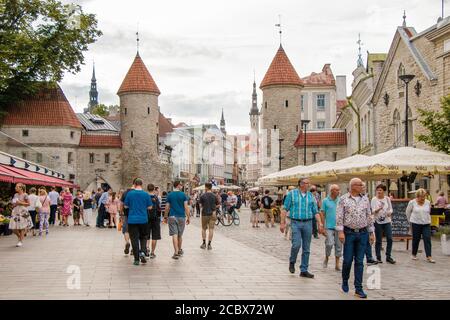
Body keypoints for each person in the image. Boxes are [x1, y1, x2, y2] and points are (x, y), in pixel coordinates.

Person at [336, 178, 375, 299]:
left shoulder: (365, 199)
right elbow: (339, 216)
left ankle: (358, 288)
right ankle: (345, 280)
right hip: (349, 233)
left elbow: (369, 216)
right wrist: (340, 232)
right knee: (347, 260)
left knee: (359, 261)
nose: (362, 186)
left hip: (362, 233)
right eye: (360, 185)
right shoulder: (343, 199)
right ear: (353, 186)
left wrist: (371, 232)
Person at [280, 178, 320, 279]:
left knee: (306, 248)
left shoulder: (311, 196)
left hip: (308, 223)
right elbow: (285, 208)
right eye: (307, 183)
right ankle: (292, 261)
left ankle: (304, 270)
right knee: (296, 245)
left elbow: (315, 211)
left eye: (309, 183)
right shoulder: (292, 194)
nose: (309, 185)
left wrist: (320, 223)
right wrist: (282, 222)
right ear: (301, 184)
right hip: (296, 223)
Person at [123, 178, 152, 266]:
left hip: (132, 220)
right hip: (143, 219)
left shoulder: (130, 194)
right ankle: (143, 252)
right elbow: (150, 207)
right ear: (142, 184)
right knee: (143, 237)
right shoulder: (146, 194)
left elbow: (125, 206)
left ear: (134, 184)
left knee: (134, 239)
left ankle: (136, 259)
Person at [406, 188, 435, 263]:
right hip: (415, 223)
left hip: (426, 223)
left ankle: (429, 256)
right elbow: (407, 213)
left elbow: (429, 212)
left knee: (427, 238)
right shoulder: (412, 202)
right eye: (421, 197)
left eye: (424, 196)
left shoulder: (428, 202)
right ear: (417, 196)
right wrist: (410, 221)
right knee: (416, 239)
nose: (423, 198)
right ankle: (414, 254)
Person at [164, 181, 190, 260]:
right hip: (181, 216)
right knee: (180, 235)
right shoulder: (183, 195)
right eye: (181, 185)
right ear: (178, 186)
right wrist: (188, 217)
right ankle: (179, 250)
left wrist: (165, 216)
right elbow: (186, 207)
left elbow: (167, 207)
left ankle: (176, 252)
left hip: (172, 216)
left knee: (174, 234)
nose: (182, 186)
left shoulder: (170, 195)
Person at [371, 184, 396, 264]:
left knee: (390, 238)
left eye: (380, 190)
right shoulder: (374, 199)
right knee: (378, 240)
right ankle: (378, 257)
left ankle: (388, 256)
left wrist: (390, 212)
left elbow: (391, 208)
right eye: (378, 190)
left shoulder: (387, 199)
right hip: (377, 222)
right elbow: (372, 211)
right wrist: (378, 209)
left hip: (387, 221)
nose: (379, 191)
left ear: (384, 191)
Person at [320, 184, 342, 271]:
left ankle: (337, 264)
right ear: (332, 191)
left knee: (339, 245)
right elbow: (322, 213)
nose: (338, 191)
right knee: (329, 243)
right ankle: (327, 257)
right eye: (336, 190)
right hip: (328, 226)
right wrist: (323, 225)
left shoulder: (340, 201)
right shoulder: (325, 201)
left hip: (339, 226)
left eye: (338, 190)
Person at [199, 182, 219, 250]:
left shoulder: (202, 195)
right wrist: (213, 208)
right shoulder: (214, 196)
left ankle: (204, 243)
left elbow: (200, 205)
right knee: (211, 229)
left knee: (203, 229)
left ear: (206, 187)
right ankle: (209, 244)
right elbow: (218, 204)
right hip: (212, 214)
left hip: (204, 214)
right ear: (211, 187)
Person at [362, 182, 377, 266]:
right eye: (362, 187)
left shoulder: (366, 198)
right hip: (358, 225)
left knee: (368, 241)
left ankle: (369, 258)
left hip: (366, 223)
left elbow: (368, 213)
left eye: (364, 187)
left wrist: (371, 229)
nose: (364, 188)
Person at [146, 184, 162, 259]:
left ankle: (147, 248)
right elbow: (159, 209)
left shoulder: (145, 197)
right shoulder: (156, 198)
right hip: (155, 219)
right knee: (154, 236)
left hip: (146, 218)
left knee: (146, 235)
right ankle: (152, 252)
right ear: (154, 190)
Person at [120, 186, 134, 255]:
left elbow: (122, 204)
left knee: (126, 230)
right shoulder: (137, 193)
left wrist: (121, 212)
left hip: (126, 215)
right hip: (135, 215)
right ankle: (133, 249)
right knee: (134, 232)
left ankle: (127, 242)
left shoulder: (125, 193)